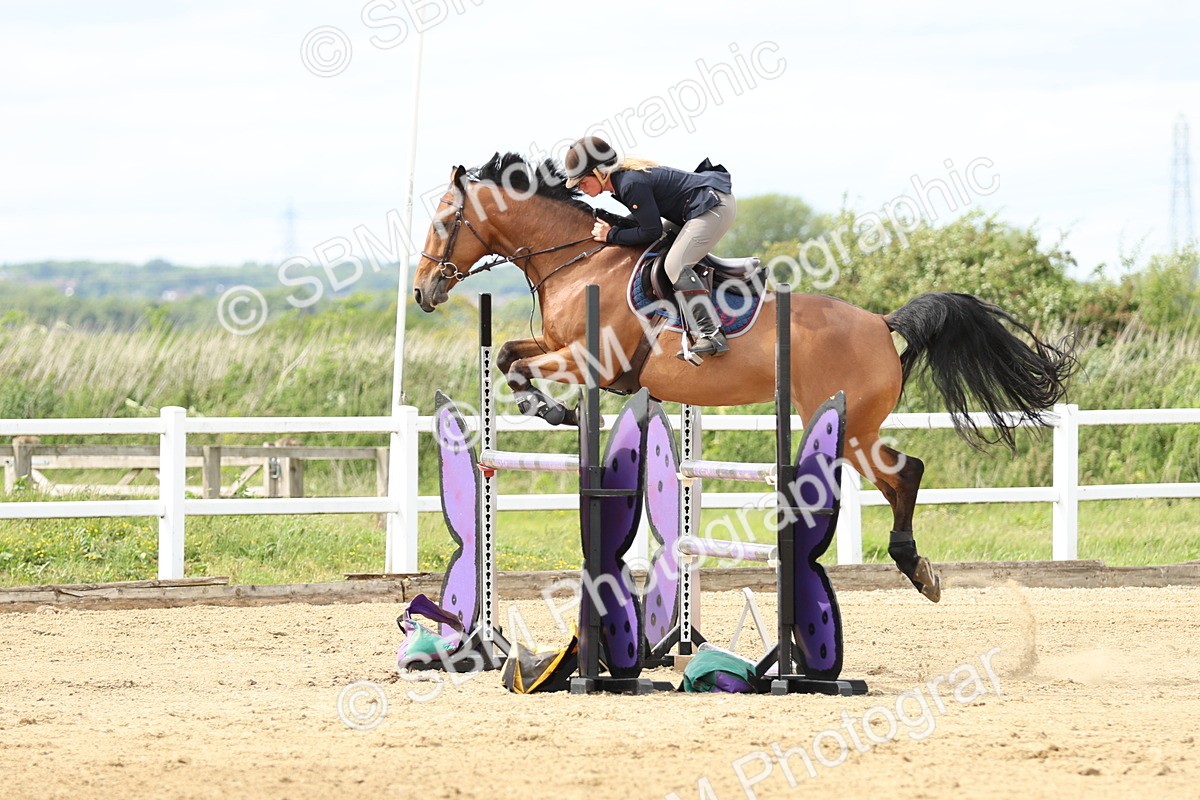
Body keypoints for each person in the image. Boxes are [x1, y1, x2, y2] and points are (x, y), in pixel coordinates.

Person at [563, 136, 736, 360]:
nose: (580, 188)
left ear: (599, 172)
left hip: (713, 208)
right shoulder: (623, 182)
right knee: (659, 248)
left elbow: (650, 231)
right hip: (695, 209)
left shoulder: (629, 184)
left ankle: (711, 333)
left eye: (582, 181)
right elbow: (644, 223)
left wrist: (612, 234)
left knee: (675, 264)